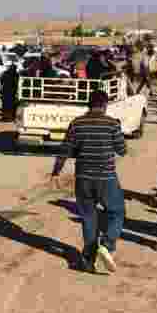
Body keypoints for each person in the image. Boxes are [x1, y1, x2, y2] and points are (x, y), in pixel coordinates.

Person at [51, 90, 127, 274]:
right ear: (105, 105)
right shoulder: (111, 123)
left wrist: (56, 172)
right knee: (116, 212)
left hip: (83, 178)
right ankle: (107, 245)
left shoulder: (77, 123)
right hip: (106, 178)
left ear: (88, 104)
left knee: (88, 217)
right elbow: (122, 150)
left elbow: (66, 149)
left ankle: (87, 259)